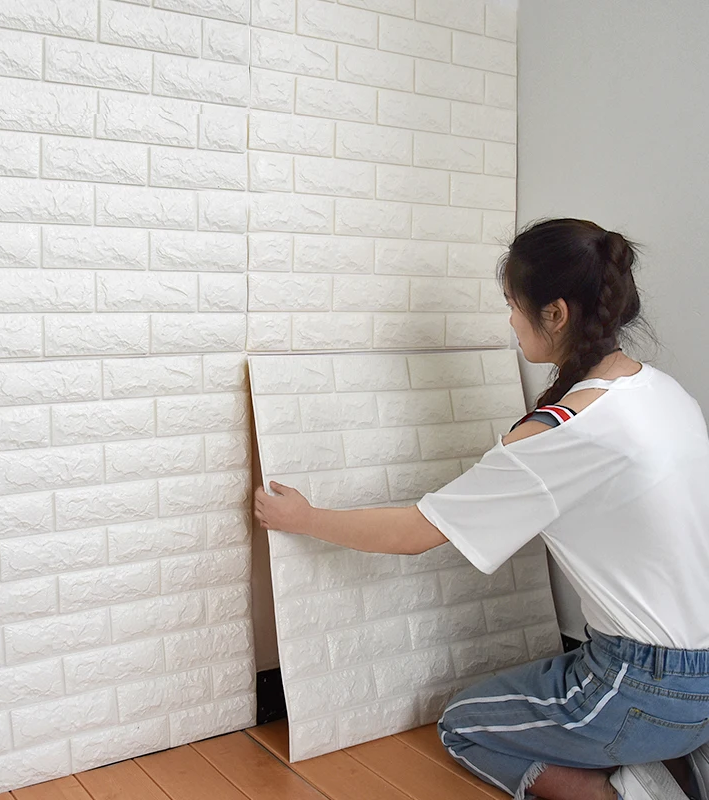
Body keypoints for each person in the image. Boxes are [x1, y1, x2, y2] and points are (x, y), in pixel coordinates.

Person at [253, 218, 709, 800]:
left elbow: (417, 532)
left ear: (555, 314)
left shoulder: (563, 432)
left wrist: (305, 519)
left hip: (640, 688)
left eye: (513, 305)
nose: (510, 321)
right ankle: (676, 764)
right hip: (692, 682)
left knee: (463, 724)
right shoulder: (664, 392)